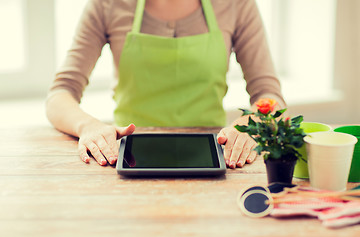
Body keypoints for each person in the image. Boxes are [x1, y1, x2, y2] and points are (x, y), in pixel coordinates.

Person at [46, 0, 286, 169]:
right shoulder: (107, 4)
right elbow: (60, 93)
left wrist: (248, 125)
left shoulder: (237, 4)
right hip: (127, 158)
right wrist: (88, 127)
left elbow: (268, 94)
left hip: (214, 157)